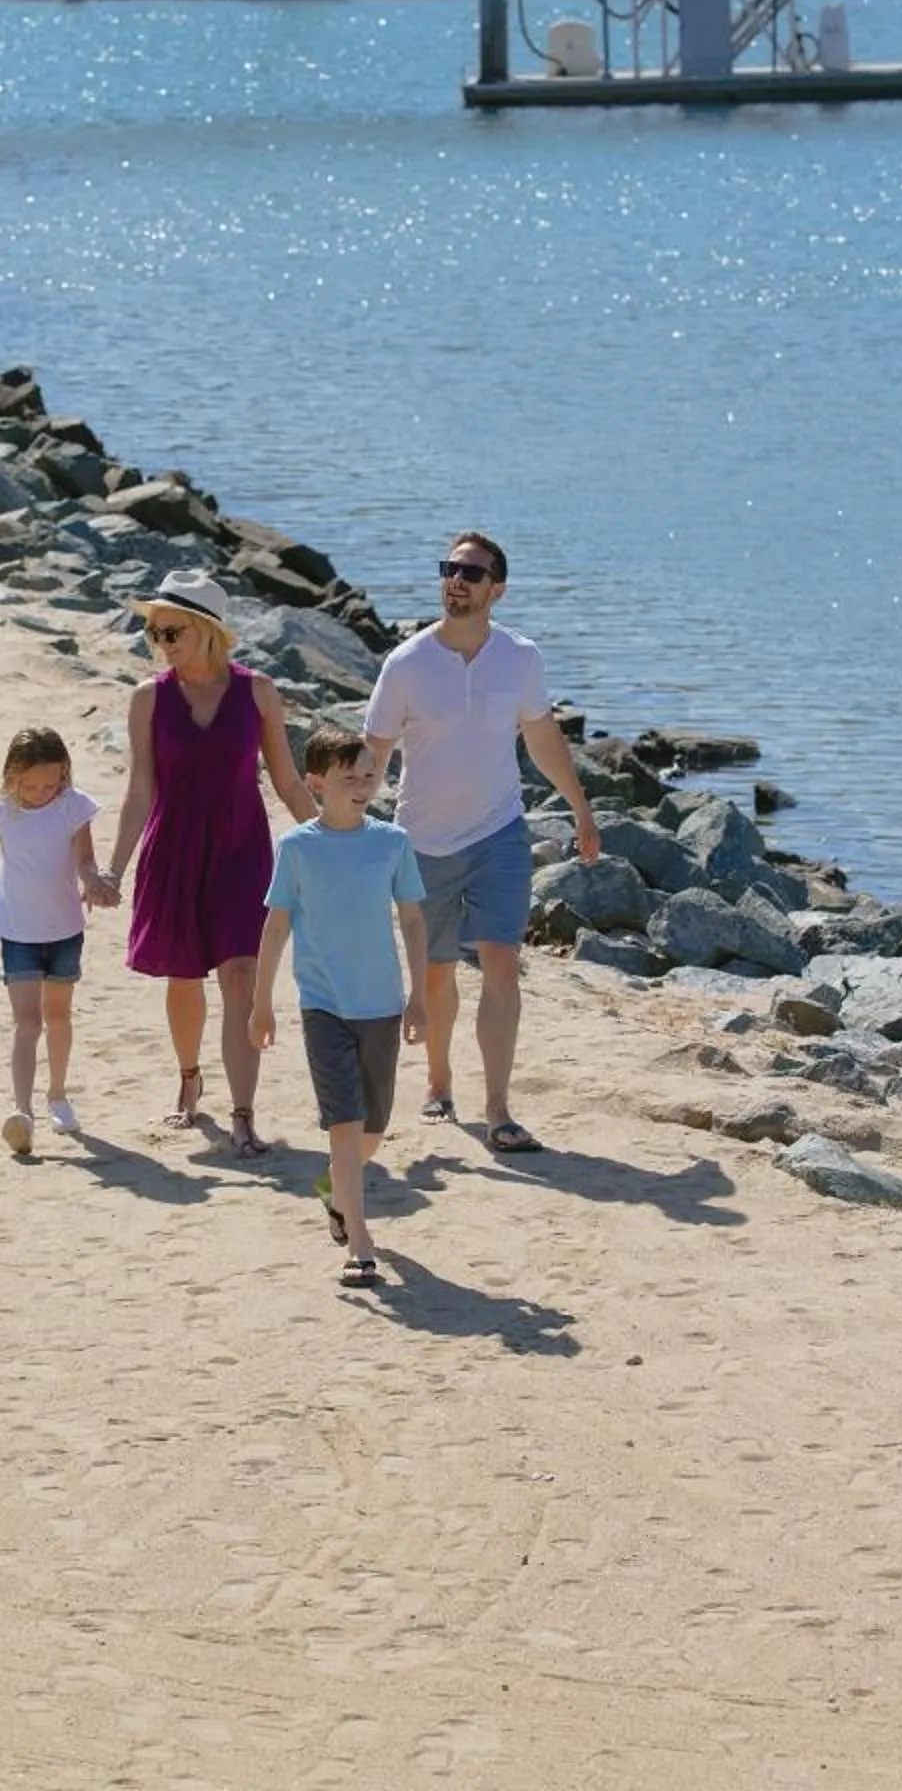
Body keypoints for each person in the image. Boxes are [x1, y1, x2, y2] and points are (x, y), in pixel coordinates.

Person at [361, 530, 599, 1156]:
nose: (456, 581)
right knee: (437, 974)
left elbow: (542, 738)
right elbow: (376, 751)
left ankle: (498, 1109)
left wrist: (581, 809)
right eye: (450, 569)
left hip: (499, 833)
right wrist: (346, 825)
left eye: (471, 573)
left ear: (498, 590)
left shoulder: (520, 658)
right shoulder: (406, 663)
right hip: (423, 841)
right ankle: (439, 1082)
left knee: (500, 961)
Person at [102, 571, 315, 1157]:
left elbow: (287, 780)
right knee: (183, 975)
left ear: (207, 630)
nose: (161, 642)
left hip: (242, 848)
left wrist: (333, 841)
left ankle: (243, 1114)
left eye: (172, 631)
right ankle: (190, 1076)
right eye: (154, 632)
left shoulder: (258, 692)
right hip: (173, 848)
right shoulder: (148, 698)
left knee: (242, 975)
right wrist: (114, 868)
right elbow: (139, 790)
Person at [250, 727, 428, 1290]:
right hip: (323, 1004)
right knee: (344, 1127)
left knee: (373, 1128)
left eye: (370, 776)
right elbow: (276, 925)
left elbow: (413, 920)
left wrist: (420, 996)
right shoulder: (297, 848)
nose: (362, 786)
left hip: (382, 1004)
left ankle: (334, 1192)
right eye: (349, 777)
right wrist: (261, 1003)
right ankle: (359, 1244)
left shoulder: (393, 842)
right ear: (316, 783)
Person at [0, 726, 110, 1157]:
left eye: (49, 785)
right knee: (27, 1023)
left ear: (63, 773)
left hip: (64, 927)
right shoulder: (2, 811)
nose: (39, 794)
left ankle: (57, 1095)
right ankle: (22, 1111)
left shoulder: (73, 806)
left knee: (59, 1017)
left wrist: (94, 882)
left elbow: (85, 860)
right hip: (18, 930)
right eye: (29, 785)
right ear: (11, 776)